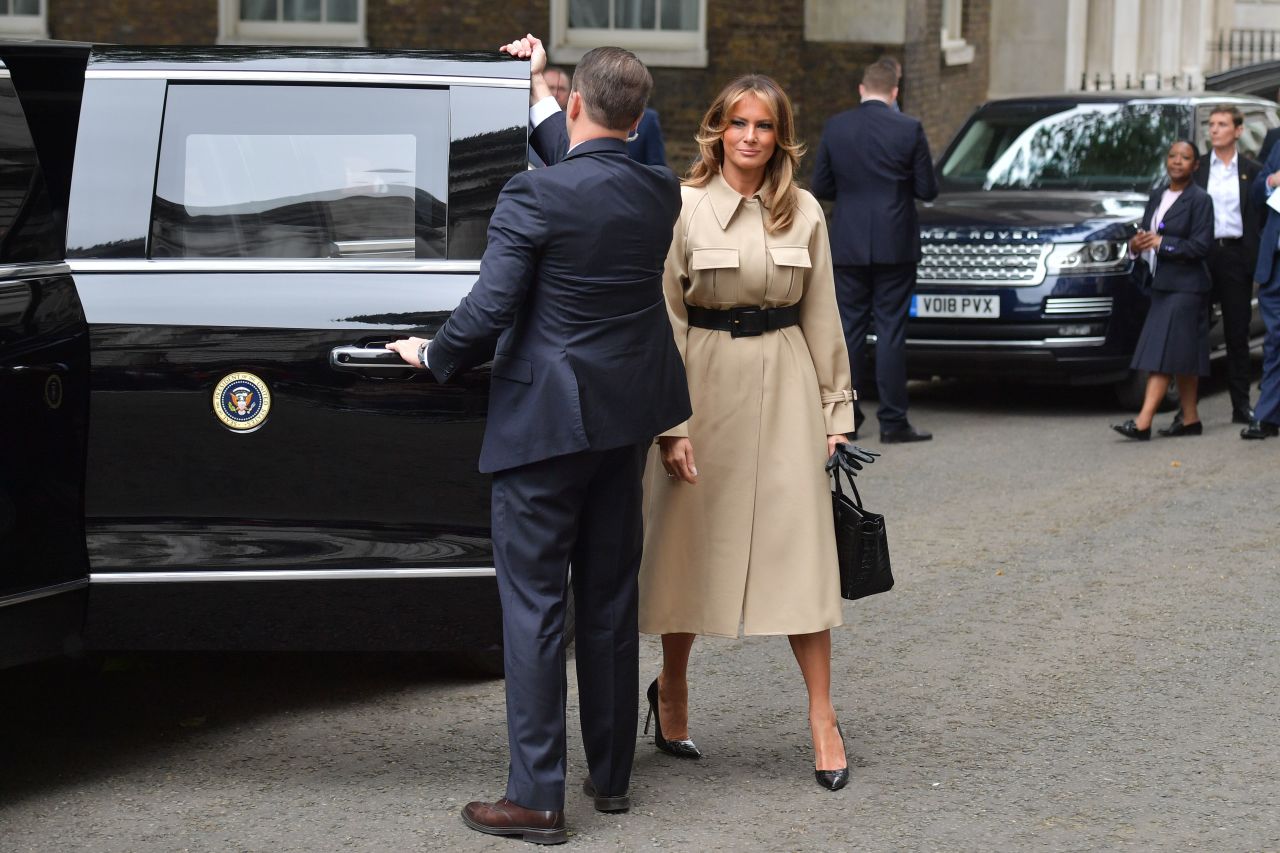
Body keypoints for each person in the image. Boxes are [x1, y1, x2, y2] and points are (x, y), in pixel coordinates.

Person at [387, 35, 690, 843]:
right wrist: (537, 85)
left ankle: (536, 798)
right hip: (622, 423)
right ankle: (614, 775)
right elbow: (592, 156)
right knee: (608, 599)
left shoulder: (534, 197)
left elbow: (487, 312)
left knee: (532, 611)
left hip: (544, 426)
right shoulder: (660, 189)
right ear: (641, 117)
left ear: (580, 104)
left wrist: (434, 353)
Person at [626, 74, 856, 792]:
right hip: (704, 384)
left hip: (788, 385)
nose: (751, 138)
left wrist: (836, 412)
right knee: (687, 546)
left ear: (779, 135)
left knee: (803, 553)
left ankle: (822, 716)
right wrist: (671, 424)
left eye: (763, 126)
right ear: (718, 130)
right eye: (739, 124)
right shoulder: (683, 208)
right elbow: (662, 317)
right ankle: (672, 690)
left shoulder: (806, 210)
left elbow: (824, 315)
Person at [811, 58, 938, 443]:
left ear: (861, 89)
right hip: (895, 242)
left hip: (848, 241)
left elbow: (822, 186)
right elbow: (927, 190)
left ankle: (846, 420)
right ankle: (893, 420)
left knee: (848, 331)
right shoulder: (909, 127)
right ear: (894, 92)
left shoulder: (836, 127)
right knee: (890, 331)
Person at [1112, 140, 1214, 440]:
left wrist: (1163, 244)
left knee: (1162, 353)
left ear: (1195, 166)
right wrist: (1136, 246)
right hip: (1161, 284)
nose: (1177, 161)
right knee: (1182, 354)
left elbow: (1201, 246)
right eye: (1172, 156)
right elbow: (1147, 234)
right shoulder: (1158, 195)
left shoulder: (1200, 200)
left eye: (1185, 158)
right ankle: (1191, 419)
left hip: (1187, 287)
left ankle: (1143, 422)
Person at [1189, 105, 1262, 428]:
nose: (1214, 130)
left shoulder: (1252, 170)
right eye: (1212, 124)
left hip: (1234, 256)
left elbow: (1259, 214)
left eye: (1221, 124)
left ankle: (1241, 405)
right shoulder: (1198, 169)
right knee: (1194, 330)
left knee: (1236, 332)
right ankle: (1188, 410)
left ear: (1238, 131)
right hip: (1202, 255)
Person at [1243, 134, 1280, 439]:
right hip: (1275, 263)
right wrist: (1271, 181)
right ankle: (1267, 416)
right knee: (1275, 341)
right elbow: (1256, 193)